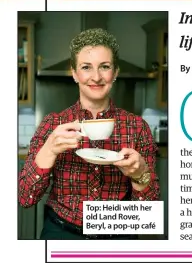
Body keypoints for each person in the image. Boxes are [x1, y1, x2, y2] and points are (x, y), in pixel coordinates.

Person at [18, 29, 158, 240]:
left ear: (115, 72)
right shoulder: (53, 124)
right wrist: (49, 150)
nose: (96, 77)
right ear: (74, 73)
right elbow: (25, 198)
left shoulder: (138, 127)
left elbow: (148, 212)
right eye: (86, 67)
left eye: (105, 67)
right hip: (61, 233)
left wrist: (140, 175)